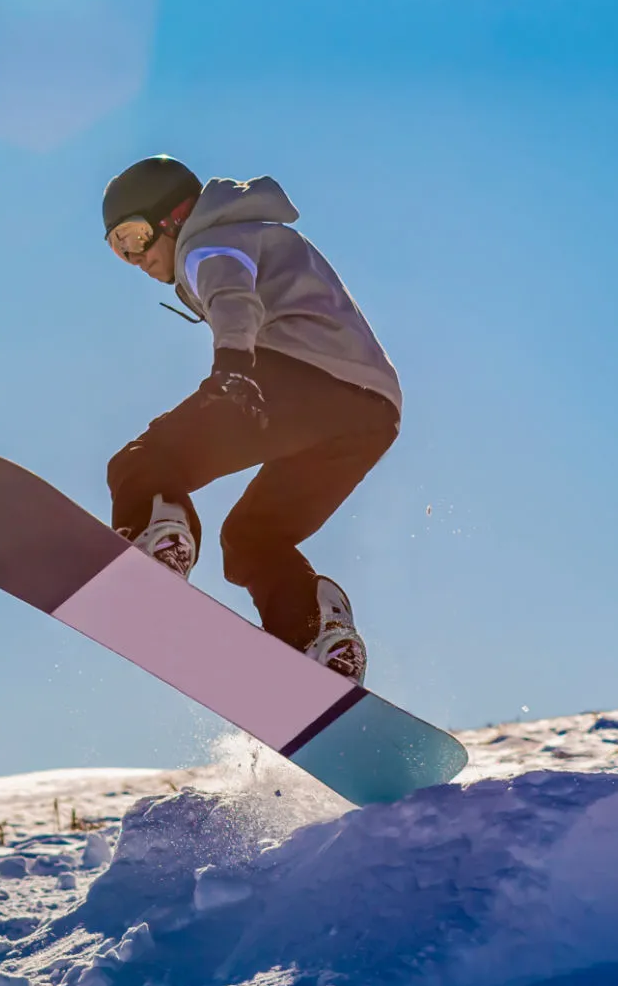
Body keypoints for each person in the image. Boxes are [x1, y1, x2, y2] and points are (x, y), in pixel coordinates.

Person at [99, 155, 401, 683]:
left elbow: (231, 293)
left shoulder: (207, 240)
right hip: (371, 413)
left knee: (141, 463)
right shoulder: (251, 234)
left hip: (301, 382)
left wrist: (234, 368)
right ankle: (316, 635)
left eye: (135, 235)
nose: (135, 259)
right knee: (252, 538)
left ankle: (157, 540)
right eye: (118, 250)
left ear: (175, 215)